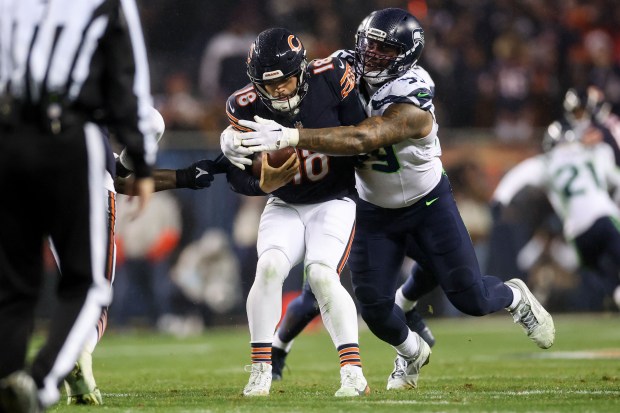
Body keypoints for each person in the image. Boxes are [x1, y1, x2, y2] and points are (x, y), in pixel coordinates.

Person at [226, 8, 556, 390]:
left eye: (383, 50)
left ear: (405, 54)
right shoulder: (339, 69)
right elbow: (291, 77)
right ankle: (410, 353)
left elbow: (363, 138)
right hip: (372, 209)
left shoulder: (413, 91)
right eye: (367, 45)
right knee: (374, 309)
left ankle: (515, 296)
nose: (370, 55)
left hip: (428, 204)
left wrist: (292, 138)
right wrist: (231, 136)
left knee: (472, 298)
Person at [0, 0, 157, 411]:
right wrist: (140, 160)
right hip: (69, 138)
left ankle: (7, 379)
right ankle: (42, 382)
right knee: (87, 283)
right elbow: (128, 77)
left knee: (14, 287)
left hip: (7, 138)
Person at [220, 27, 371, 398]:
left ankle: (353, 372)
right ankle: (260, 368)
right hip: (284, 202)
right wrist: (260, 183)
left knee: (321, 274)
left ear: (301, 70)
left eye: (284, 81)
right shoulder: (243, 105)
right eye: (268, 85)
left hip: (334, 198)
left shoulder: (332, 77)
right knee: (269, 267)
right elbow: (236, 180)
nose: (278, 92)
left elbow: (361, 142)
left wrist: (297, 138)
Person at [60, 108, 214, 405]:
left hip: (31, 183)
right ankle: (81, 350)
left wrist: (182, 177)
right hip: (89, 185)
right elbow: (150, 126)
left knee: (39, 291)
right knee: (95, 294)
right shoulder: (97, 86)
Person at [493, 120, 620, 308]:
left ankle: (615, 293)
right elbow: (616, 178)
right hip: (604, 217)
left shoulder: (547, 162)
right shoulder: (592, 154)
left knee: (603, 274)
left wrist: (499, 199)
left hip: (577, 232)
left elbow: (518, 176)